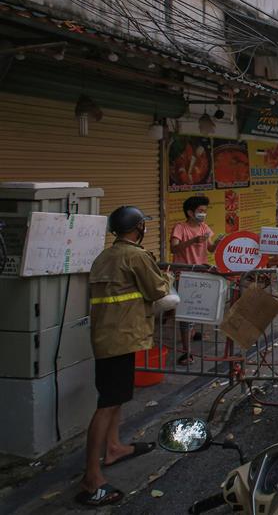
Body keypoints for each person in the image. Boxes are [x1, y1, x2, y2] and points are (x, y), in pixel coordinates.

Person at [77, 206, 170, 508]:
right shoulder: (136, 256)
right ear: (138, 228)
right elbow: (157, 291)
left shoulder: (104, 256)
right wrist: (166, 277)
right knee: (107, 404)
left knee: (113, 398)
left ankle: (114, 447)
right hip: (121, 337)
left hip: (108, 336)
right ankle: (92, 478)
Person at [169, 195, 222, 365]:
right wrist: (192, 240)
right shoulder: (180, 227)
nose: (203, 214)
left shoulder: (204, 227)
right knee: (186, 313)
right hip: (184, 275)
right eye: (200, 211)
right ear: (190, 212)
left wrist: (219, 242)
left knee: (198, 307)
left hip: (200, 273)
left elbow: (211, 248)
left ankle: (192, 333)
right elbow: (174, 248)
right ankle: (186, 352)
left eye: (205, 211)